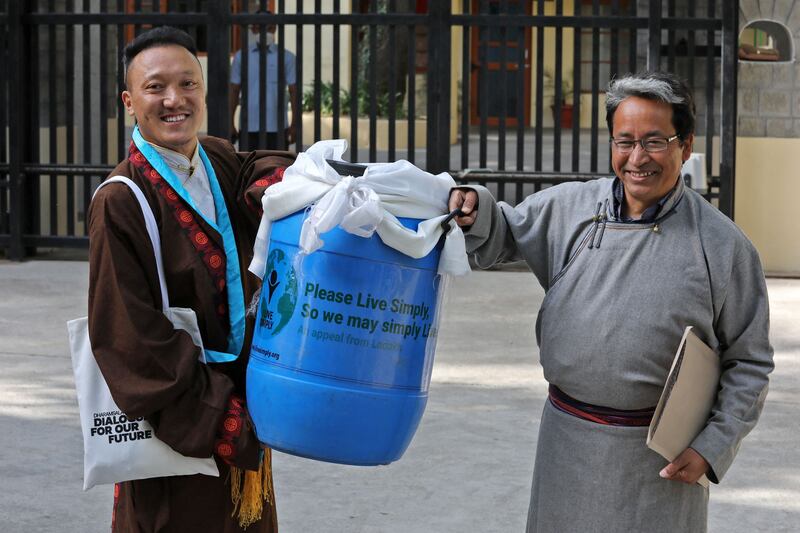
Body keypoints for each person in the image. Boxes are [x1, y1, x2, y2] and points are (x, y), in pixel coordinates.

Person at [448, 71, 773, 532]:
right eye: (625, 141)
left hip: (660, 464)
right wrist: (472, 205)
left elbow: (751, 363)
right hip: (566, 445)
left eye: (655, 142)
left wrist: (710, 448)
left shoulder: (723, 247)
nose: (637, 158)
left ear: (686, 144)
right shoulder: (570, 209)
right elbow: (504, 231)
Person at [88, 26, 294, 532]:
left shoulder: (215, 159)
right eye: (155, 87)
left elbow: (255, 171)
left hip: (243, 405)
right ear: (130, 102)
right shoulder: (120, 200)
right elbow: (132, 339)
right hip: (184, 423)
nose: (174, 100)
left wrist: (282, 190)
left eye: (188, 84)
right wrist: (224, 419)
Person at [229, 10, 298, 150]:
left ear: (275, 29)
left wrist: (295, 124)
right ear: (253, 29)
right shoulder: (241, 57)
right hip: (249, 127)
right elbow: (234, 91)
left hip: (277, 127)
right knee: (248, 169)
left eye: (270, 27)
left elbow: (294, 91)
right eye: (260, 27)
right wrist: (230, 122)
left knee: (277, 169)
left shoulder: (287, 57)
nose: (266, 31)